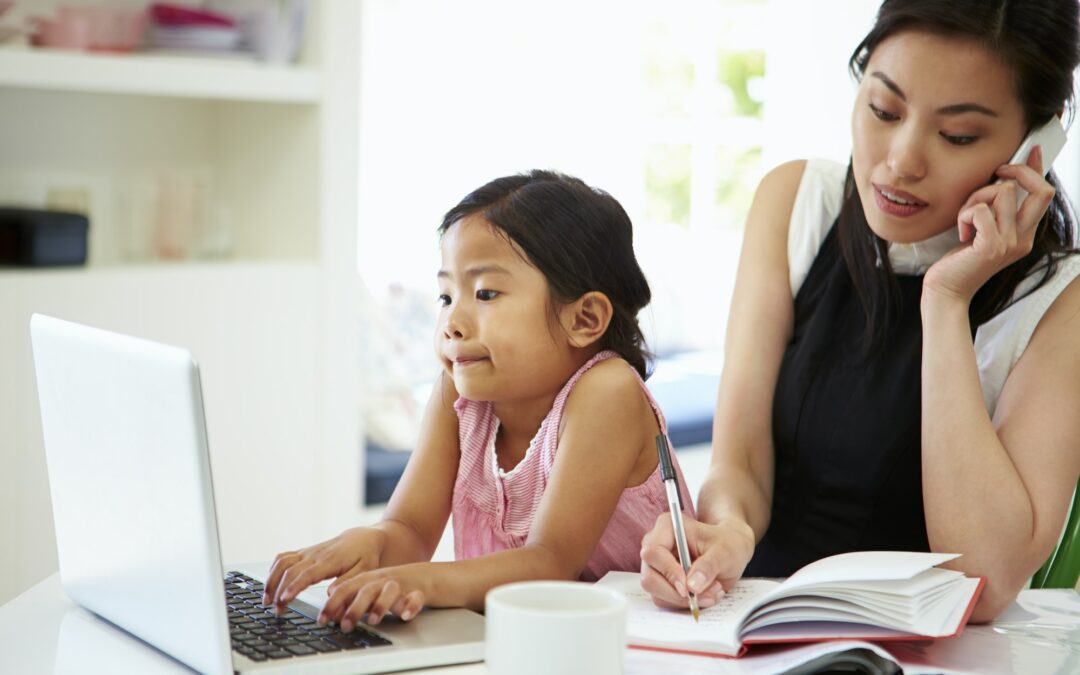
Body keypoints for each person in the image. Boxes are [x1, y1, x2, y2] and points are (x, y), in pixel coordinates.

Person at [641, 0, 1080, 622]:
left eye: (957, 135)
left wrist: (946, 301)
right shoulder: (796, 203)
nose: (901, 160)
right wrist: (727, 532)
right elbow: (739, 464)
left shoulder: (1060, 299)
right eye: (883, 109)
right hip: (761, 627)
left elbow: (985, 578)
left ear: (1037, 146)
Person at [262, 170, 694, 631]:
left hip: (629, 649)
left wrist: (421, 582)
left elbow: (549, 564)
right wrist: (368, 544)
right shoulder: (459, 395)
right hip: (518, 646)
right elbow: (409, 530)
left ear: (584, 318)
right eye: (446, 296)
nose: (452, 322)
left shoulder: (607, 391)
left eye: (485, 293)